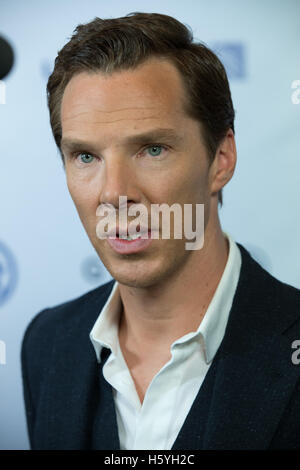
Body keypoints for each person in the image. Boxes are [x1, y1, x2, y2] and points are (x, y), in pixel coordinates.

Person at [21, 12, 300, 450]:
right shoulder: (46, 344)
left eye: (152, 149)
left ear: (221, 158)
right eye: (86, 157)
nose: (114, 193)